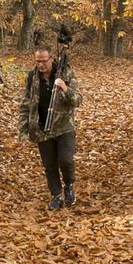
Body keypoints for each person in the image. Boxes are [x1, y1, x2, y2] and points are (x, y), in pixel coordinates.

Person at [18, 46, 81, 209]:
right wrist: (23, 130)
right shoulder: (32, 77)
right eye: (37, 61)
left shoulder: (65, 74)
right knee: (50, 165)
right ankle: (56, 195)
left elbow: (77, 100)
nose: (40, 65)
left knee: (66, 160)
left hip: (64, 126)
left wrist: (65, 88)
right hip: (42, 128)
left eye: (44, 61)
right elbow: (25, 103)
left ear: (51, 59)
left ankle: (69, 186)